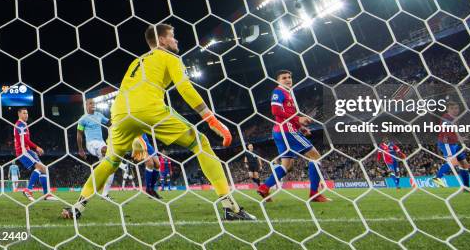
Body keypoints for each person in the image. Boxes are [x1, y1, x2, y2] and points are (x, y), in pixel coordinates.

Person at [62, 24, 255, 221]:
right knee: (201, 142)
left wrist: (135, 134)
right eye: (173, 36)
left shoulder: (136, 62)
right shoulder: (169, 57)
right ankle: (230, 207)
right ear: (162, 40)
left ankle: (77, 207)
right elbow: (185, 88)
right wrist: (212, 120)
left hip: (119, 113)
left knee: (110, 162)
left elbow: (129, 96)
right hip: (150, 108)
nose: (176, 40)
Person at [257, 70, 330, 202]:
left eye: (290, 77)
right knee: (315, 157)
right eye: (284, 78)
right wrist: (298, 119)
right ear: (278, 81)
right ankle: (314, 193)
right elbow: (275, 110)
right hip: (287, 131)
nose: (288, 79)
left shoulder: (288, 93)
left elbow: (287, 116)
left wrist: (301, 127)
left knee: (287, 166)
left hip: (281, 131)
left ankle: (264, 187)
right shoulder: (278, 91)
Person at [432, 102, 470, 193]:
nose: (455, 110)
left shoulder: (455, 118)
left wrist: (462, 136)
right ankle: (437, 178)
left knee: (464, 164)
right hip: (446, 143)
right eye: (452, 108)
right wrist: (458, 138)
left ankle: (466, 187)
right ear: (447, 109)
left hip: (455, 144)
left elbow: (455, 131)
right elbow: (446, 131)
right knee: (452, 162)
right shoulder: (446, 118)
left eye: (456, 108)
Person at [13, 107, 56, 201]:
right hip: (23, 151)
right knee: (40, 168)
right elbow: (25, 140)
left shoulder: (23, 124)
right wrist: (36, 147)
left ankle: (47, 195)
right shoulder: (19, 125)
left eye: (27, 113)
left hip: (28, 151)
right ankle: (28, 190)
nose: (26, 115)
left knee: (44, 169)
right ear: (19, 114)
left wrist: (33, 150)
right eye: (24, 113)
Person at [77, 99, 113, 199]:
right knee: (106, 150)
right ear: (86, 106)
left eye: (94, 103)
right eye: (90, 103)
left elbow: (109, 123)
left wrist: (116, 118)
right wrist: (80, 149)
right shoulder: (83, 119)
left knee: (111, 167)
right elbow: (79, 135)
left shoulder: (99, 115)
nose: (93, 105)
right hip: (91, 143)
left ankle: (105, 194)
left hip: (101, 142)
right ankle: (124, 166)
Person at [131, 133, 162, 198]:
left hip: (147, 142)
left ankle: (152, 189)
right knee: (150, 163)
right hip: (138, 141)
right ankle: (148, 189)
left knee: (157, 165)